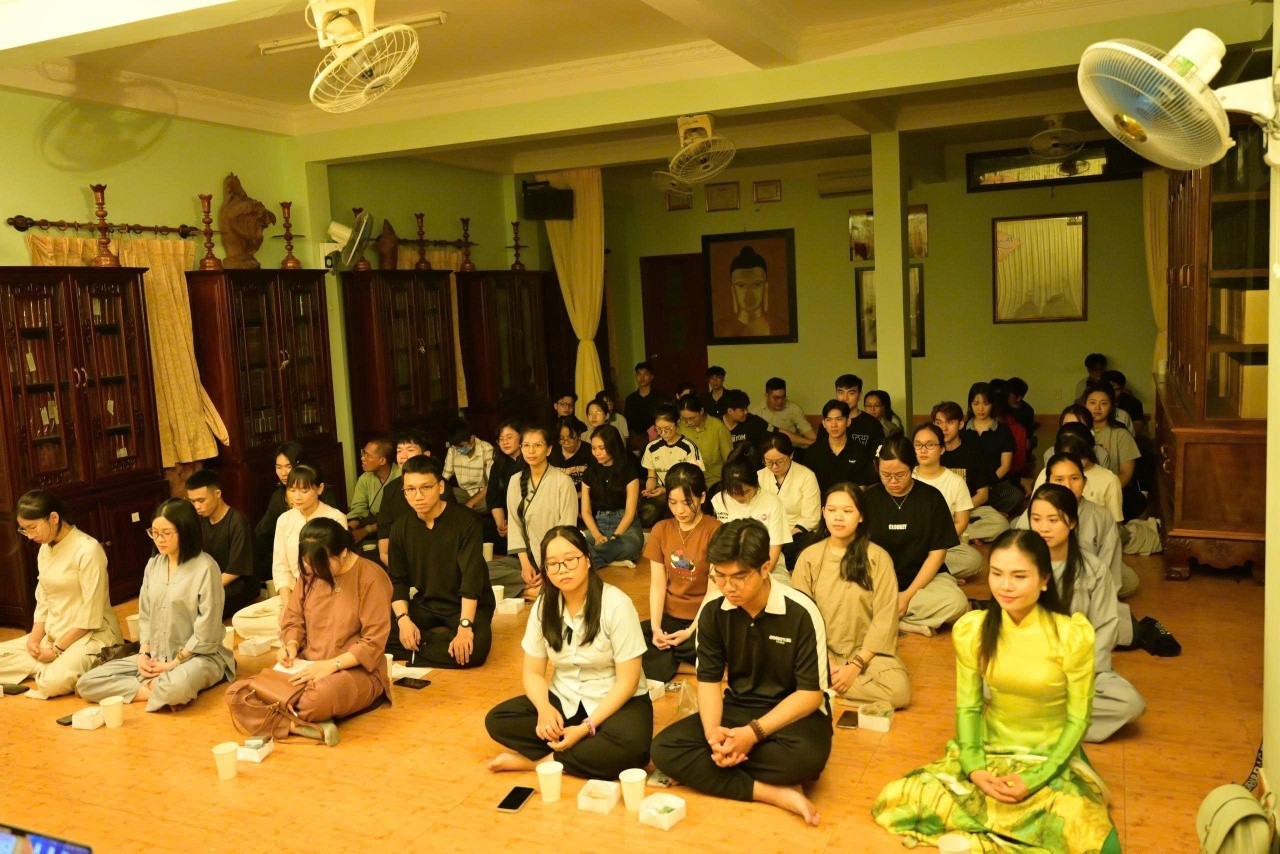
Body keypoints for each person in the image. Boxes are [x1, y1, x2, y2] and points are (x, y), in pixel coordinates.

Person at [872, 530, 1119, 854]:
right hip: (991, 749)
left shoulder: (1071, 635)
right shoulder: (974, 630)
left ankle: (983, 835)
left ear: (1044, 579)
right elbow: (969, 707)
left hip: (1048, 756)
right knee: (900, 797)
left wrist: (1035, 778)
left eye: (1019, 576)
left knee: (1095, 839)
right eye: (997, 574)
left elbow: (1078, 719)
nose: (1006, 586)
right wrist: (974, 768)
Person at [650, 519, 832, 826]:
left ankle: (711, 771)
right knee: (663, 749)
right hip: (739, 707)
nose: (728, 587)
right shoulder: (713, 612)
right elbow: (708, 682)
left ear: (765, 568)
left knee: (806, 759)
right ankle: (773, 793)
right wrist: (713, 736)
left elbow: (810, 695)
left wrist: (751, 735)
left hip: (793, 714)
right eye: (719, 577)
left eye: (739, 577)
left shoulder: (801, 611)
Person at [485, 526, 652, 779]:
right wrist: (544, 709)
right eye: (553, 564)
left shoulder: (616, 604)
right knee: (499, 720)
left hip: (616, 701)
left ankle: (540, 763)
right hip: (567, 697)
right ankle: (582, 752)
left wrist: (586, 728)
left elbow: (627, 682)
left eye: (570, 560)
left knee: (632, 748)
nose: (562, 569)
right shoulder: (543, 606)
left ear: (587, 560)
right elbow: (532, 672)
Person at [227, 519, 392, 746]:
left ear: (343, 552)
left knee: (316, 699)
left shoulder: (371, 577)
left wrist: (330, 666)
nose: (312, 570)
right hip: (306, 666)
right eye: (307, 563)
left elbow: (373, 643)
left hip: (354, 671)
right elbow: (294, 618)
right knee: (237, 693)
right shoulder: (310, 574)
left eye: (320, 564)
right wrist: (291, 646)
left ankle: (286, 718)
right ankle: (298, 726)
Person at [77, 498, 235, 712]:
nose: (159, 539)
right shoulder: (153, 566)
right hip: (157, 656)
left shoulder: (206, 567)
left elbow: (207, 629)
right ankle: (151, 691)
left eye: (166, 533)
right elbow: (145, 615)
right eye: (154, 532)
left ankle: (162, 688)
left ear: (185, 531)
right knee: (86, 682)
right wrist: (144, 654)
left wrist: (173, 664)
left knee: (176, 687)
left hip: (198, 656)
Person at [1028, 484, 1146, 741]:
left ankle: (1038, 720)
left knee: (1129, 703)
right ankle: (1061, 718)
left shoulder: (1093, 570)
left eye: (1053, 520)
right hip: (1030, 664)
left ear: (1071, 522)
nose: (1043, 528)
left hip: (1080, 667)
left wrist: (1077, 672)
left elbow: (1106, 626)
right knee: (988, 686)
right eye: (1036, 519)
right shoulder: (1020, 564)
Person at [792, 484, 910, 709]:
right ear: (823, 512)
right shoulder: (809, 557)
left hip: (867, 651)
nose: (838, 517)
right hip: (820, 650)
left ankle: (822, 690)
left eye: (847, 511)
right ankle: (830, 685)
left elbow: (885, 617)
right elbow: (802, 618)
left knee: (898, 692)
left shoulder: (878, 558)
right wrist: (828, 661)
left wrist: (855, 666)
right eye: (832, 510)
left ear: (861, 516)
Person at [0, 491, 122, 697]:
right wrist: (34, 639)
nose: (29, 536)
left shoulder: (88, 549)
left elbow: (91, 615)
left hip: (91, 635)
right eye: (24, 529)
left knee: (50, 684)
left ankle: (51, 668)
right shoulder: (44, 549)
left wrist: (57, 649)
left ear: (54, 518)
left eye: (32, 527)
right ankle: (49, 666)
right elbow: (44, 600)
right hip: (54, 634)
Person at [387, 455, 494, 668]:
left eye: (426, 487)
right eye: (410, 489)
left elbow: (471, 578)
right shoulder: (400, 528)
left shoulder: (466, 521)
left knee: (476, 650)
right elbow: (398, 581)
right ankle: (440, 644)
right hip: (427, 603)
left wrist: (465, 627)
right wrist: (404, 620)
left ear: (441, 486)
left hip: (465, 604)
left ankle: (417, 652)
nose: (418, 496)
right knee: (379, 634)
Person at [861, 436, 969, 636]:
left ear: (912, 467)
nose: (893, 481)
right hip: (880, 581)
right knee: (846, 597)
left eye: (900, 475)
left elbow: (937, 554)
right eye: (886, 475)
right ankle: (902, 622)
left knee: (957, 603)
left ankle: (883, 619)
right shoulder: (868, 499)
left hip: (924, 581)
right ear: (877, 468)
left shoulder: (931, 498)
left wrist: (906, 597)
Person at [232, 464, 348, 642]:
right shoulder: (284, 520)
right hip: (294, 593)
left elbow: (338, 565)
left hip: (326, 593)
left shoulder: (335, 517)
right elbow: (281, 566)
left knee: (330, 618)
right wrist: (287, 604)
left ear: (320, 489)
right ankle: (301, 633)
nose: (297, 496)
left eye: (304, 490)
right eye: (292, 490)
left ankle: (297, 633)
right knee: (240, 620)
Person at [641, 464, 721, 683]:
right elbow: (658, 584)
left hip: (703, 618)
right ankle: (692, 667)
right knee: (633, 639)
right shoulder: (661, 529)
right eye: (673, 502)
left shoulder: (716, 530)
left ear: (702, 497)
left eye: (687, 503)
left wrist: (691, 630)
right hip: (671, 616)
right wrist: (656, 628)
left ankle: (674, 663)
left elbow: (714, 591)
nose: (680, 510)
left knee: (716, 643)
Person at [489, 426, 577, 600]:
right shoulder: (515, 481)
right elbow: (514, 524)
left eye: (537, 445)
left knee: (570, 576)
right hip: (526, 559)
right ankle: (530, 591)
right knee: (482, 570)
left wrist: (547, 568)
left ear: (549, 450)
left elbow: (567, 531)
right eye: (526, 445)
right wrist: (524, 564)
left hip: (556, 558)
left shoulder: (563, 482)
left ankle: (537, 587)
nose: (531, 451)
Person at [911, 423, 982, 582]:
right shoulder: (907, 478)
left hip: (941, 544)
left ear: (942, 449)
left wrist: (936, 545)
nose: (923, 450)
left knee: (973, 560)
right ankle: (939, 574)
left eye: (930, 445)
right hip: (909, 544)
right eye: (918, 445)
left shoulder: (956, 482)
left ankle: (927, 572)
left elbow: (961, 522)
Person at [185, 469, 257, 618]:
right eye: (193, 501)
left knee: (200, 609)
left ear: (217, 494)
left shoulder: (237, 522)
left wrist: (203, 590)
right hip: (209, 583)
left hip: (237, 585)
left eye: (201, 500)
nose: (197, 506)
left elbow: (235, 571)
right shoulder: (199, 520)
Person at [934, 401, 1008, 543]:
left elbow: (983, 495)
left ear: (960, 424)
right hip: (937, 511)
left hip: (968, 508)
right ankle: (963, 534)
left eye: (950, 422)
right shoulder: (931, 452)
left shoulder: (973, 452)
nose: (944, 428)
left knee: (1001, 524)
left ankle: (955, 533)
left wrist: (959, 511)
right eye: (938, 423)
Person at [712, 458, 793, 580]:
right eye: (733, 493)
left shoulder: (772, 502)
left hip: (767, 565)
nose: (740, 497)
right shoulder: (718, 500)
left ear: (755, 484)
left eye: (746, 491)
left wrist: (757, 576)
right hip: (729, 566)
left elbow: (774, 548)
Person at [581, 424, 643, 568]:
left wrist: (615, 537)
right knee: (577, 541)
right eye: (593, 448)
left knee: (631, 546)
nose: (597, 453)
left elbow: (630, 513)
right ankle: (612, 561)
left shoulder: (628, 471)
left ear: (613, 446)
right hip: (599, 524)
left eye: (601, 448)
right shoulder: (589, 473)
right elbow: (586, 512)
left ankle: (591, 559)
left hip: (625, 525)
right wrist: (597, 536)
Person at [757, 434, 821, 570]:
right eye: (769, 462)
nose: (774, 467)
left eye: (780, 461)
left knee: (806, 544)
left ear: (791, 455)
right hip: (765, 534)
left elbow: (811, 518)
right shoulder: (759, 476)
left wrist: (783, 537)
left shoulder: (806, 476)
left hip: (795, 534)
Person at [1083, 381, 1144, 520]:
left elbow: (1126, 473)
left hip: (1112, 493)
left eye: (1103, 403)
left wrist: (1104, 494)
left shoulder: (1121, 434)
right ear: (1084, 405)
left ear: (1111, 407)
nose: (1097, 407)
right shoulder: (1078, 432)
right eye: (1092, 402)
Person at [964, 382, 1025, 515]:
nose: (980, 408)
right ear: (970, 404)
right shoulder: (963, 430)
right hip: (968, 484)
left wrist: (988, 484)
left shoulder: (1003, 430)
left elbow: (1005, 466)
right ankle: (989, 512)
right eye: (976, 403)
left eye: (986, 404)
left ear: (992, 404)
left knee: (1015, 496)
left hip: (994, 483)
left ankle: (981, 511)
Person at [640, 405, 704, 528]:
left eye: (668, 428)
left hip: (684, 491)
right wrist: (650, 490)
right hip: (660, 492)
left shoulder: (689, 447)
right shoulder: (652, 448)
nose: (663, 433)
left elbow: (694, 479)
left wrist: (666, 490)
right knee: (646, 514)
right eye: (659, 429)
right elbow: (651, 477)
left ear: (677, 423)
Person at [253, 440, 305, 584]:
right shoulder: (278, 497)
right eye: (278, 467)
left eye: (289, 466)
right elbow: (263, 532)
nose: (283, 473)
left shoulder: (320, 493)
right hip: (286, 555)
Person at [376, 430, 431, 565]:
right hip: (400, 561)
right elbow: (384, 531)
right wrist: (389, 559)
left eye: (410, 450)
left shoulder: (439, 487)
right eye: (399, 451)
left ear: (426, 455)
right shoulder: (390, 490)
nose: (403, 456)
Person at [347, 436, 400, 561]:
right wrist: (348, 530)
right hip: (370, 521)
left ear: (382, 460)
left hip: (393, 528)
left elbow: (398, 517)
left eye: (367, 455)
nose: (362, 458)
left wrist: (367, 530)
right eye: (363, 453)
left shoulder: (400, 476)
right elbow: (359, 509)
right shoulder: (365, 478)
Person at [805, 400, 876, 491]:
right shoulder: (813, 451)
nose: (834, 425)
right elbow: (808, 485)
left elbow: (861, 487)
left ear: (848, 421)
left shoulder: (860, 451)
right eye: (829, 420)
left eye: (839, 419)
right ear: (824, 423)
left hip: (850, 499)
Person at [713, 246, 776, 338]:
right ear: (733, 290)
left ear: (765, 288)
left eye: (756, 284)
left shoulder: (779, 326)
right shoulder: (719, 329)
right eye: (741, 285)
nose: (749, 292)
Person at [486, 419, 525, 553]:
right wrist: (502, 525)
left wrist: (515, 527)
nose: (505, 442)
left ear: (521, 437)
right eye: (501, 439)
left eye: (509, 437)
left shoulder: (531, 461)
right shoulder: (497, 466)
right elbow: (493, 498)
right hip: (507, 520)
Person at [678, 393, 732, 490]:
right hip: (688, 482)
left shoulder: (718, 427)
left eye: (692, 418)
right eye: (684, 419)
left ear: (701, 411)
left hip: (715, 483)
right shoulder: (679, 427)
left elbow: (730, 460)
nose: (688, 422)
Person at [443, 419, 495, 512]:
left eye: (461, 446)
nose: (458, 450)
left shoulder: (486, 449)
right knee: (441, 495)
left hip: (483, 494)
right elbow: (445, 477)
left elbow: (492, 483)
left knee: (493, 502)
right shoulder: (452, 450)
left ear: (472, 438)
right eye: (455, 447)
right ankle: (463, 512)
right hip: (464, 492)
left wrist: (470, 503)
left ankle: (462, 512)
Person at [752, 377, 816, 448]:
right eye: (776, 398)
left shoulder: (793, 409)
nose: (780, 401)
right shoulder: (756, 411)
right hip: (765, 451)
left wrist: (815, 443)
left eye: (783, 397)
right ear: (766, 396)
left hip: (790, 450)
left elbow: (808, 432)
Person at [1049, 405, 1112, 471]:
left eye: (1078, 426)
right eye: (1066, 424)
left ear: (1089, 430)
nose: (1071, 430)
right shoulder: (1050, 453)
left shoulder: (1101, 454)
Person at [834, 374, 887, 452]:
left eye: (851, 393)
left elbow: (880, 453)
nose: (845, 398)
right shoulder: (830, 423)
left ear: (860, 395)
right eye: (841, 393)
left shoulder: (872, 424)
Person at [721, 389, 772, 454]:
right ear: (730, 411)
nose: (746, 412)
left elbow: (776, 431)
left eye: (746, 408)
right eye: (742, 410)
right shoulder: (716, 425)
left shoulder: (754, 421)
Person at [549, 415, 592, 492]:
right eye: (561, 438)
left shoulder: (589, 451)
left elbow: (594, 484)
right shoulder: (552, 449)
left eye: (570, 437)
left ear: (578, 434)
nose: (566, 443)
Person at [624, 361, 660, 451]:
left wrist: (648, 437)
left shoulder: (660, 397)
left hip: (655, 439)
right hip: (634, 441)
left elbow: (662, 420)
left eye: (645, 374)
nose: (642, 377)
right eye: (639, 374)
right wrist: (634, 437)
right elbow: (627, 421)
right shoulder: (630, 399)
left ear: (652, 377)